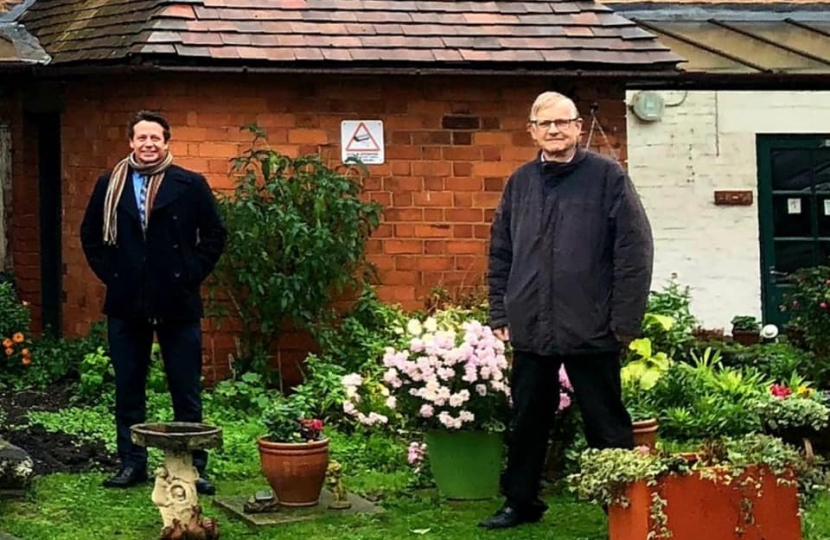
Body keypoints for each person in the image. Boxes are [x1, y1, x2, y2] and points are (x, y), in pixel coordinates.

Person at [480, 92, 654, 529]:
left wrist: (624, 322)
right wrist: (500, 313)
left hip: (592, 326)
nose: (554, 131)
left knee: (607, 425)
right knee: (526, 422)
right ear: (532, 131)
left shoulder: (607, 177)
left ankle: (622, 505)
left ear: (579, 127)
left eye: (563, 123)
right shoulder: (520, 182)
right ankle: (521, 503)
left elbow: (634, 252)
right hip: (532, 326)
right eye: (545, 124)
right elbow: (501, 252)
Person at [81, 111, 227, 494]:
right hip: (127, 302)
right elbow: (90, 237)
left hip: (177, 300)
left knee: (185, 388)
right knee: (129, 386)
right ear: (131, 142)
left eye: (155, 138)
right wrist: (113, 275)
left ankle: (192, 466)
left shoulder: (190, 184)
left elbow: (214, 234)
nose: (148, 145)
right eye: (141, 138)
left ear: (167, 143)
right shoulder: (109, 184)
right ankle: (132, 463)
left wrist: (190, 271)